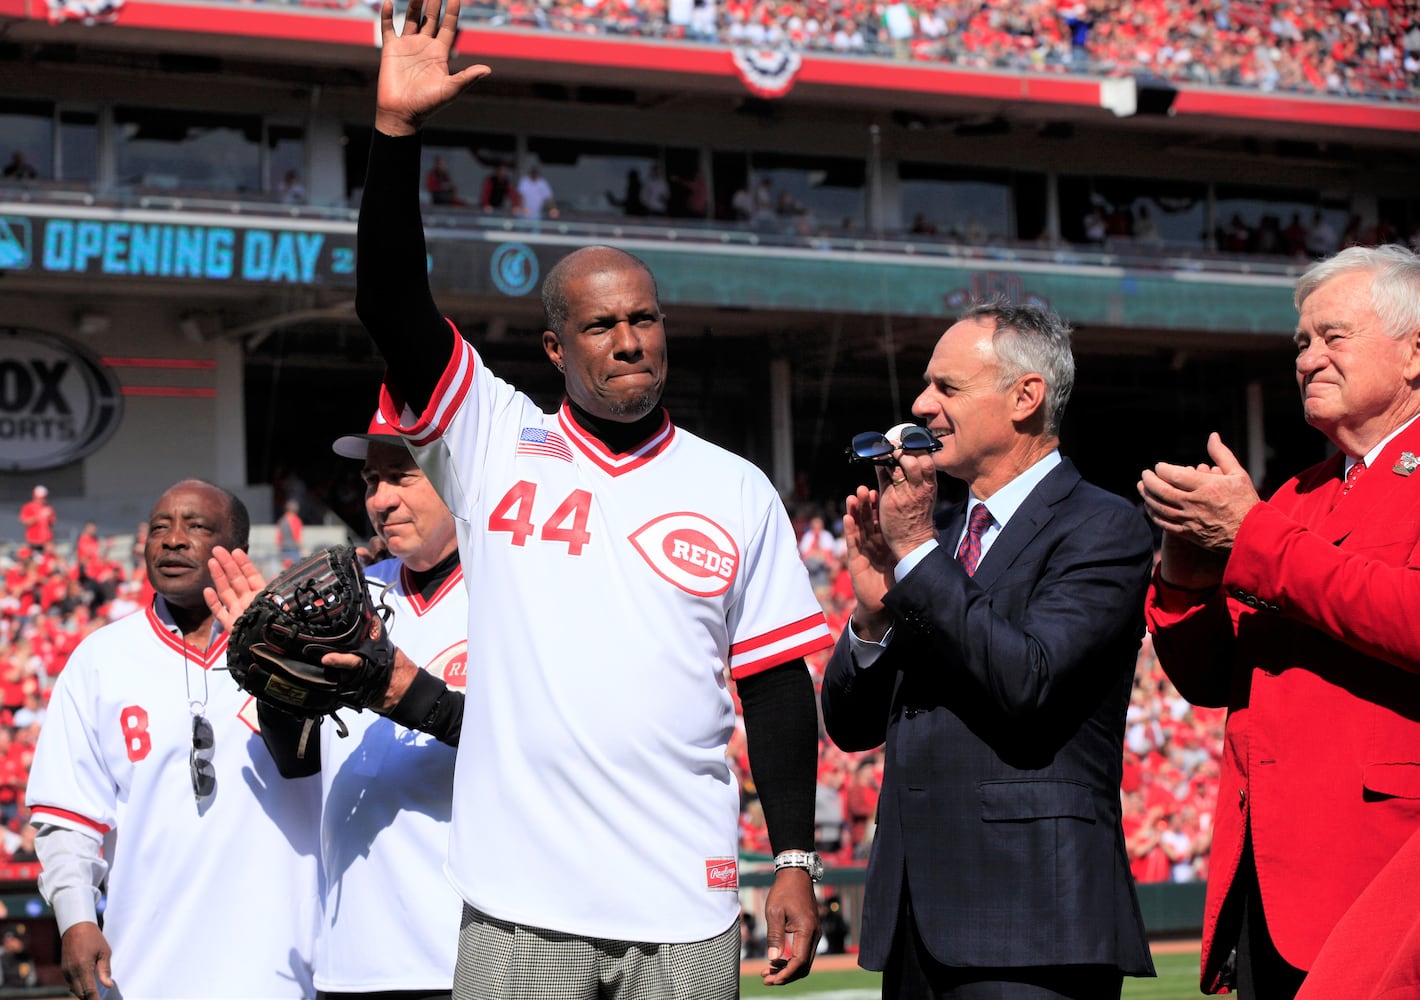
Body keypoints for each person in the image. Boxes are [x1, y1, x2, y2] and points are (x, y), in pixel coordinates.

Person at [355, 2, 831, 994]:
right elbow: (393, 307)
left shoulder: (734, 487)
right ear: (555, 349)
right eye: (603, 323)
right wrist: (396, 137)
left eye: (645, 319)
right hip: (521, 901)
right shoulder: (492, 438)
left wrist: (794, 855)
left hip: (686, 901)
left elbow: (778, 685)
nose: (629, 339)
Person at [822, 298, 1155, 998]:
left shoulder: (1102, 527)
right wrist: (874, 616)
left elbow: (1028, 678)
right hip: (913, 924)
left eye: (947, 387)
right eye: (925, 385)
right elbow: (852, 728)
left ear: (1025, 397)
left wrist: (915, 554)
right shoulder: (931, 535)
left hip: (1032, 926)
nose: (920, 404)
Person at [1139, 243, 1420, 999]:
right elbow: (1208, 680)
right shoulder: (1294, 498)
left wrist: (1255, 538)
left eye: (1334, 336)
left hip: (1388, 874)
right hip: (1268, 881)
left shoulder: (1273, 519)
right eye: (1301, 342)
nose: (1309, 359)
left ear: (1416, 352)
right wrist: (1187, 575)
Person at [205, 410, 468, 1000]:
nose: (381, 499)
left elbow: (535, 745)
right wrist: (276, 684)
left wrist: (412, 694)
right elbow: (298, 762)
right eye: (372, 480)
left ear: (461, 476)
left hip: (471, 955)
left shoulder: (513, 587)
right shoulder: (351, 597)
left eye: (403, 475)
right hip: (352, 957)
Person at [25, 480, 320, 1000]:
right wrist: (75, 917)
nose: (173, 540)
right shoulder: (100, 659)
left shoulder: (301, 650)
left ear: (239, 550)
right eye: (160, 527)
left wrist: (285, 650)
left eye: (197, 526)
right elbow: (67, 814)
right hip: (142, 969)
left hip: (288, 964)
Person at [0, 923, 38, 989]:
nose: (24, 941)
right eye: (19, 939)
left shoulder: (26, 957)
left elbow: (32, 983)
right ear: (8, 940)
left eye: (24, 938)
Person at [19, 486, 55, 555]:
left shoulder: (48, 507)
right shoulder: (28, 507)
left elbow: (52, 523)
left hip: (47, 542)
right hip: (34, 541)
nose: (43, 499)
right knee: (34, 562)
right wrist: (38, 516)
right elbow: (25, 522)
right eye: (41, 497)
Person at [275, 498, 304, 566]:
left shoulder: (282, 520)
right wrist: (302, 549)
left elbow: (279, 537)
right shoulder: (296, 520)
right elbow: (297, 536)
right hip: (294, 549)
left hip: (284, 549)